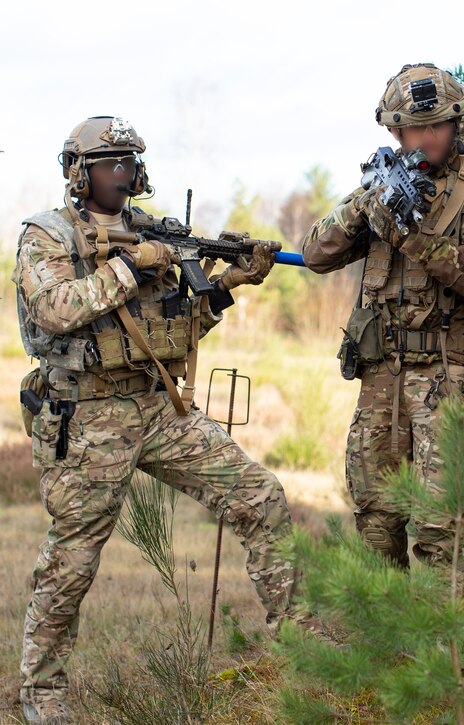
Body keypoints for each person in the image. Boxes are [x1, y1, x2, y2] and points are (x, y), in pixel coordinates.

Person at [13, 116, 296, 724]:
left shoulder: (155, 234)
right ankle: (42, 689)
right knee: (74, 558)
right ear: (78, 172)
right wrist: (128, 266)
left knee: (262, 496)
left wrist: (228, 284)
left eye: (129, 162)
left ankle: (299, 643)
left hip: (158, 408)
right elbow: (56, 310)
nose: (122, 173)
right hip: (86, 417)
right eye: (109, 162)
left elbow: (174, 332)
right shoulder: (49, 235)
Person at [302, 64, 464, 594]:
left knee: (441, 525)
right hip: (383, 379)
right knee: (376, 518)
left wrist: (413, 238)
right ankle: (385, 655)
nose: (421, 141)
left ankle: (458, 659)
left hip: (451, 381)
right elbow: (315, 253)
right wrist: (365, 209)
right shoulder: (384, 188)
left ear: (455, 123)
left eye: (433, 128)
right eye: (408, 131)